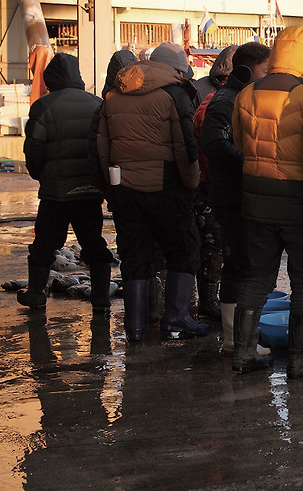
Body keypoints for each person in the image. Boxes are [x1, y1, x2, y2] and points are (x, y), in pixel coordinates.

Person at [229, 27, 303, 377]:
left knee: (256, 277)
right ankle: (301, 359)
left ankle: (243, 353)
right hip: (300, 199)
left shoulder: (246, 92)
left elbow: (239, 143)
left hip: (255, 196)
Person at [95, 41, 207, 342]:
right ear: (177, 70)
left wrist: (113, 184)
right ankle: (177, 318)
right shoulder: (174, 94)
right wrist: (191, 183)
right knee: (184, 249)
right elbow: (186, 148)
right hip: (166, 186)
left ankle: (134, 326)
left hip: (124, 188)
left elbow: (102, 146)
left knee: (134, 254)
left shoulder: (114, 94)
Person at [17, 53, 116, 315]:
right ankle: (101, 298)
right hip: (90, 191)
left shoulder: (43, 106)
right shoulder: (97, 104)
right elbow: (106, 146)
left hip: (56, 193)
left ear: (50, 79)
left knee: (44, 244)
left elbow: (34, 150)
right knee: (94, 243)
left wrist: (42, 176)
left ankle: (36, 294)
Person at [196, 41, 270, 352]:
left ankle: (239, 336)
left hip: (240, 192)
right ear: (247, 70)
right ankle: (236, 339)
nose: (268, 75)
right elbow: (214, 143)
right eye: (265, 70)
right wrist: (251, 162)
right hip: (232, 194)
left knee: (243, 263)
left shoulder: (242, 95)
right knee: (238, 264)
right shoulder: (226, 99)